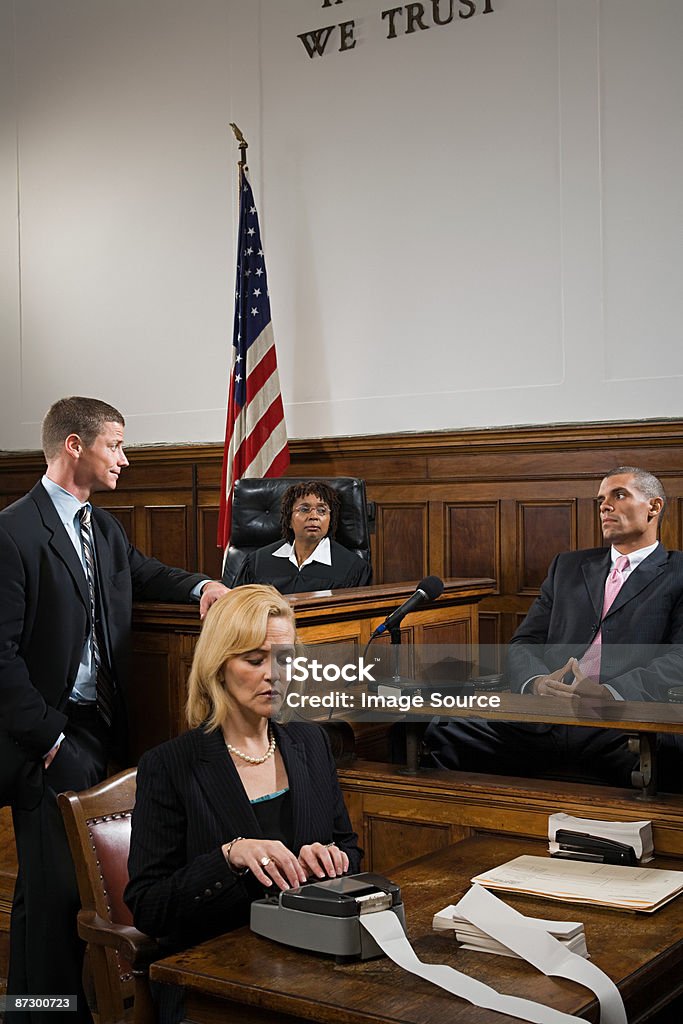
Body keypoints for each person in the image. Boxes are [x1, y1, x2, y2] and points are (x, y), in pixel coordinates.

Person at [0, 396, 227, 1023]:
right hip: (49, 738)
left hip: (104, 729)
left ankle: (28, 1010)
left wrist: (201, 586)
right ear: (75, 445)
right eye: (116, 445)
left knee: (62, 887)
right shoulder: (13, 531)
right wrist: (50, 741)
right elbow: (0, 659)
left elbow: (142, 573)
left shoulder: (102, 526)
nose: (124, 459)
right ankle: (45, 1014)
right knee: (54, 894)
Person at [125, 584, 362, 1019]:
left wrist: (330, 859)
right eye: (255, 660)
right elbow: (149, 907)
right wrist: (228, 857)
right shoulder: (170, 765)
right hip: (212, 980)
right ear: (218, 665)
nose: (274, 674)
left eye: (285, 659)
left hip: (312, 964)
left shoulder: (311, 742)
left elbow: (350, 849)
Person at [426, 467, 683, 789]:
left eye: (619, 495)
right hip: (546, 716)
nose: (605, 506)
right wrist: (536, 682)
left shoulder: (678, 572)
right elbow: (525, 640)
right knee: (440, 728)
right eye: (601, 499)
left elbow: (679, 658)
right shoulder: (568, 566)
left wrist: (611, 693)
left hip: (622, 724)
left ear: (654, 507)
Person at [233, 480, 372, 593]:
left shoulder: (353, 568)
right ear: (288, 519)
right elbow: (238, 611)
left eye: (322, 511)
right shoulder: (257, 563)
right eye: (304, 509)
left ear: (330, 520)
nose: (313, 516)